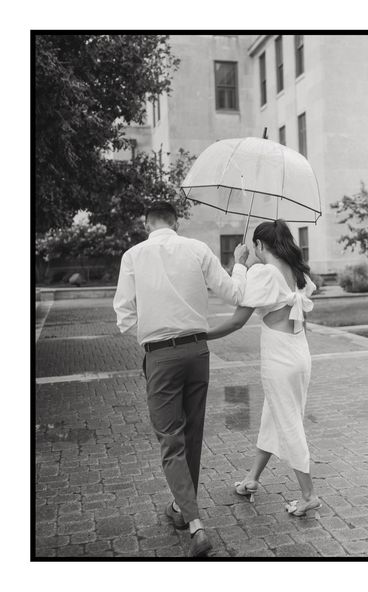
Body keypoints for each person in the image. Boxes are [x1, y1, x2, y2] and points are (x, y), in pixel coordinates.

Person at [113, 201, 249, 557]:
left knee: (171, 440)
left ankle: (195, 525)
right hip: (198, 352)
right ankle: (180, 508)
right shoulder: (198, 249)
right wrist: (241, 263)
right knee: (192, 435)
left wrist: (149, 335)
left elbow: (124, 315)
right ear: (176, 223)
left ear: (148, 223)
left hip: (161, 355)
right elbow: (236, 293)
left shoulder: (133, 255)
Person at [207, 219, 321, 517]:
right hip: (298, 352)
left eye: (254, 246)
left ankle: (308, 495)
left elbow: (237, 319)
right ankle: (252, 479)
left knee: (289, 423)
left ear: (259, 245)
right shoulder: (296, 271)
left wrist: (201, 335)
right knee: (273, 416)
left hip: (279, 357)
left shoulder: (265, 272)